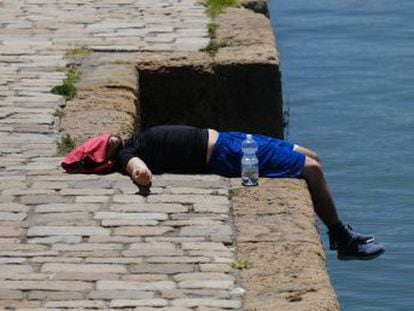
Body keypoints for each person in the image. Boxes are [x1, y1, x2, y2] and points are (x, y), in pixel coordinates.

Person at [108, 125, 385, 260]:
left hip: (232, 139)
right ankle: (342, 239)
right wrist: (136, 170)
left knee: (311, 155)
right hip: (229, 155)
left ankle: (341, 234)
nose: (107, 138)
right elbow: (140, 172)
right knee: (311, 169)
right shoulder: (128, 153)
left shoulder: (135, 138)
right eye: (102, 144)